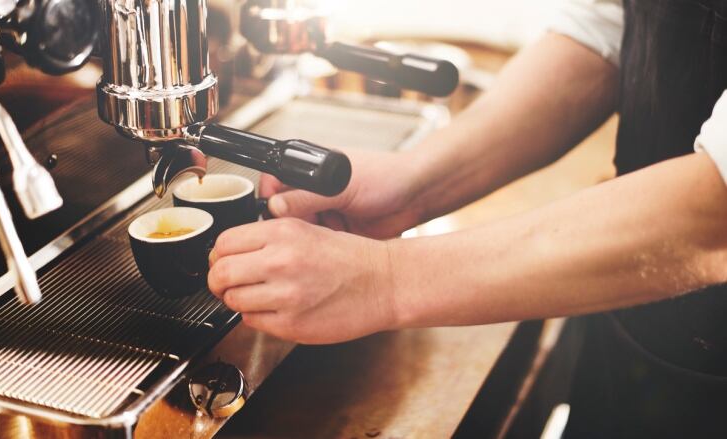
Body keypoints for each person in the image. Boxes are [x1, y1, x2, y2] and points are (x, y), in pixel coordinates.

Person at [207, 0, 727, 436]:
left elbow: (714, 208)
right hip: (638, 333)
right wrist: (415, 182)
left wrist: (383, 281)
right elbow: (612, 26)